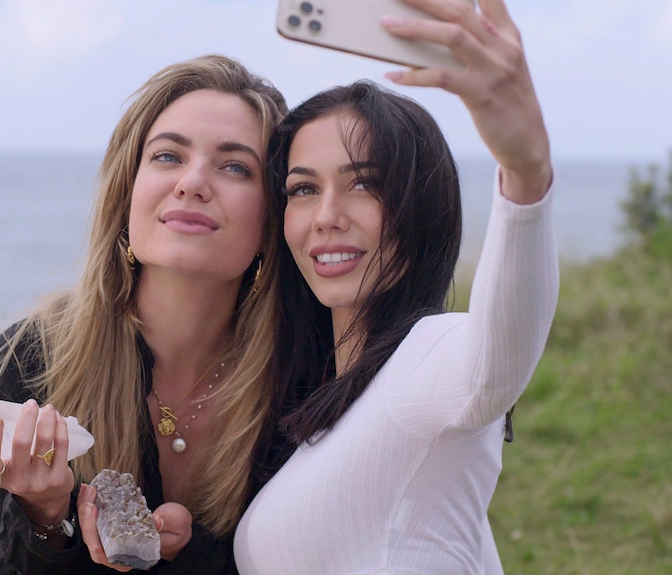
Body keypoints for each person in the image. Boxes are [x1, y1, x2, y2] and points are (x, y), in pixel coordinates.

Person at [234, 0, 559, 573]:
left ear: (420, 208)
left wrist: (526, 175)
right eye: (303, 190)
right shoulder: (320, 405)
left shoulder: (426, 359)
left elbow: (494, 364)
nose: (325, 216)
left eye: (364, 185)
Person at [0, 54, 290, 574]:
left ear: (275, 213)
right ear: (128, 189)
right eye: (167, 156)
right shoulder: (35, 356)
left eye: (235, 166)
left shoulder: (301, 375)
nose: (192, 182)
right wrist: (46, 518)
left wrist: (192, 556)